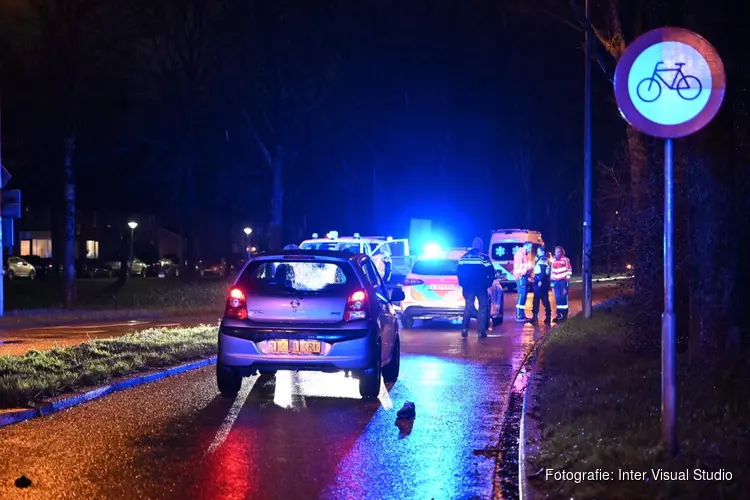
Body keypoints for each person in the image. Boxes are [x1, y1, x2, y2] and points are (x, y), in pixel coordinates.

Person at [457, 237, 495, 338]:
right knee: (483, 307)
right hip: (481, 287)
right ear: (480, 246)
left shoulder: (464, 257)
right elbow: (491, 272)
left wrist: (463, 283)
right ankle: (481, 331)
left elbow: (459, 272)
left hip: (468, 287)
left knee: (468, 307)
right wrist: (488, 283)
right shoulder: (483, 257)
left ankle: (464, 329)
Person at [550, 245, 573, 322]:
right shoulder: (553, 260)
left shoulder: (565, 260)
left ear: (562, 252)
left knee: (563, 299)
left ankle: (564, 316)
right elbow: (552, 271)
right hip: (556, 282)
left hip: (563, 281)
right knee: (558, 299)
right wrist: (552, 282)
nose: (557, 253)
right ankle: (559, 315)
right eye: (556, 251)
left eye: (559, 251)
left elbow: (569, 270)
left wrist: (567, 280)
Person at [513, 241, 534, 322]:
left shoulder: (524, 254)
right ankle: (519, 315)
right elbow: (520, 268)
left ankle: (521, 315)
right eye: (530, 248)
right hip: (521, 277)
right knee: (521, 296)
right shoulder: (520, 254)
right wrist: (529, 268)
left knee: (523, 296)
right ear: (526, 246)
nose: (530, 249)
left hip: (523, 277)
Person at [531, 246, 552, 324]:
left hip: (541, 282)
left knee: (539, 300)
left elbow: (543, 271)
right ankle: (547, 316)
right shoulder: (542, 259)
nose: (537, 253)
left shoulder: (543, 259)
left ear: (543, 252)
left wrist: (540, 280)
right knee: (544, 299)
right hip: (542, 281)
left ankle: (536, 317)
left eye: (539, 251)